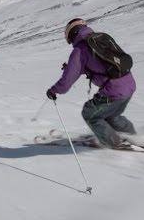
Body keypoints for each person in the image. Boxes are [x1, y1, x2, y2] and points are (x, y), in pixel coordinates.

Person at [46, 18, 136, 149]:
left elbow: (66, 83)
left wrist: (53, 91)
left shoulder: (80, 50)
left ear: (71, 34)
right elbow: (103, 64)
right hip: (129, 83)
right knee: (112, 115)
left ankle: (116, 144)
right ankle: (134, 137)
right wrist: (77, 67)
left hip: (113, 90)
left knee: (90, 114)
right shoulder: (100, 39)